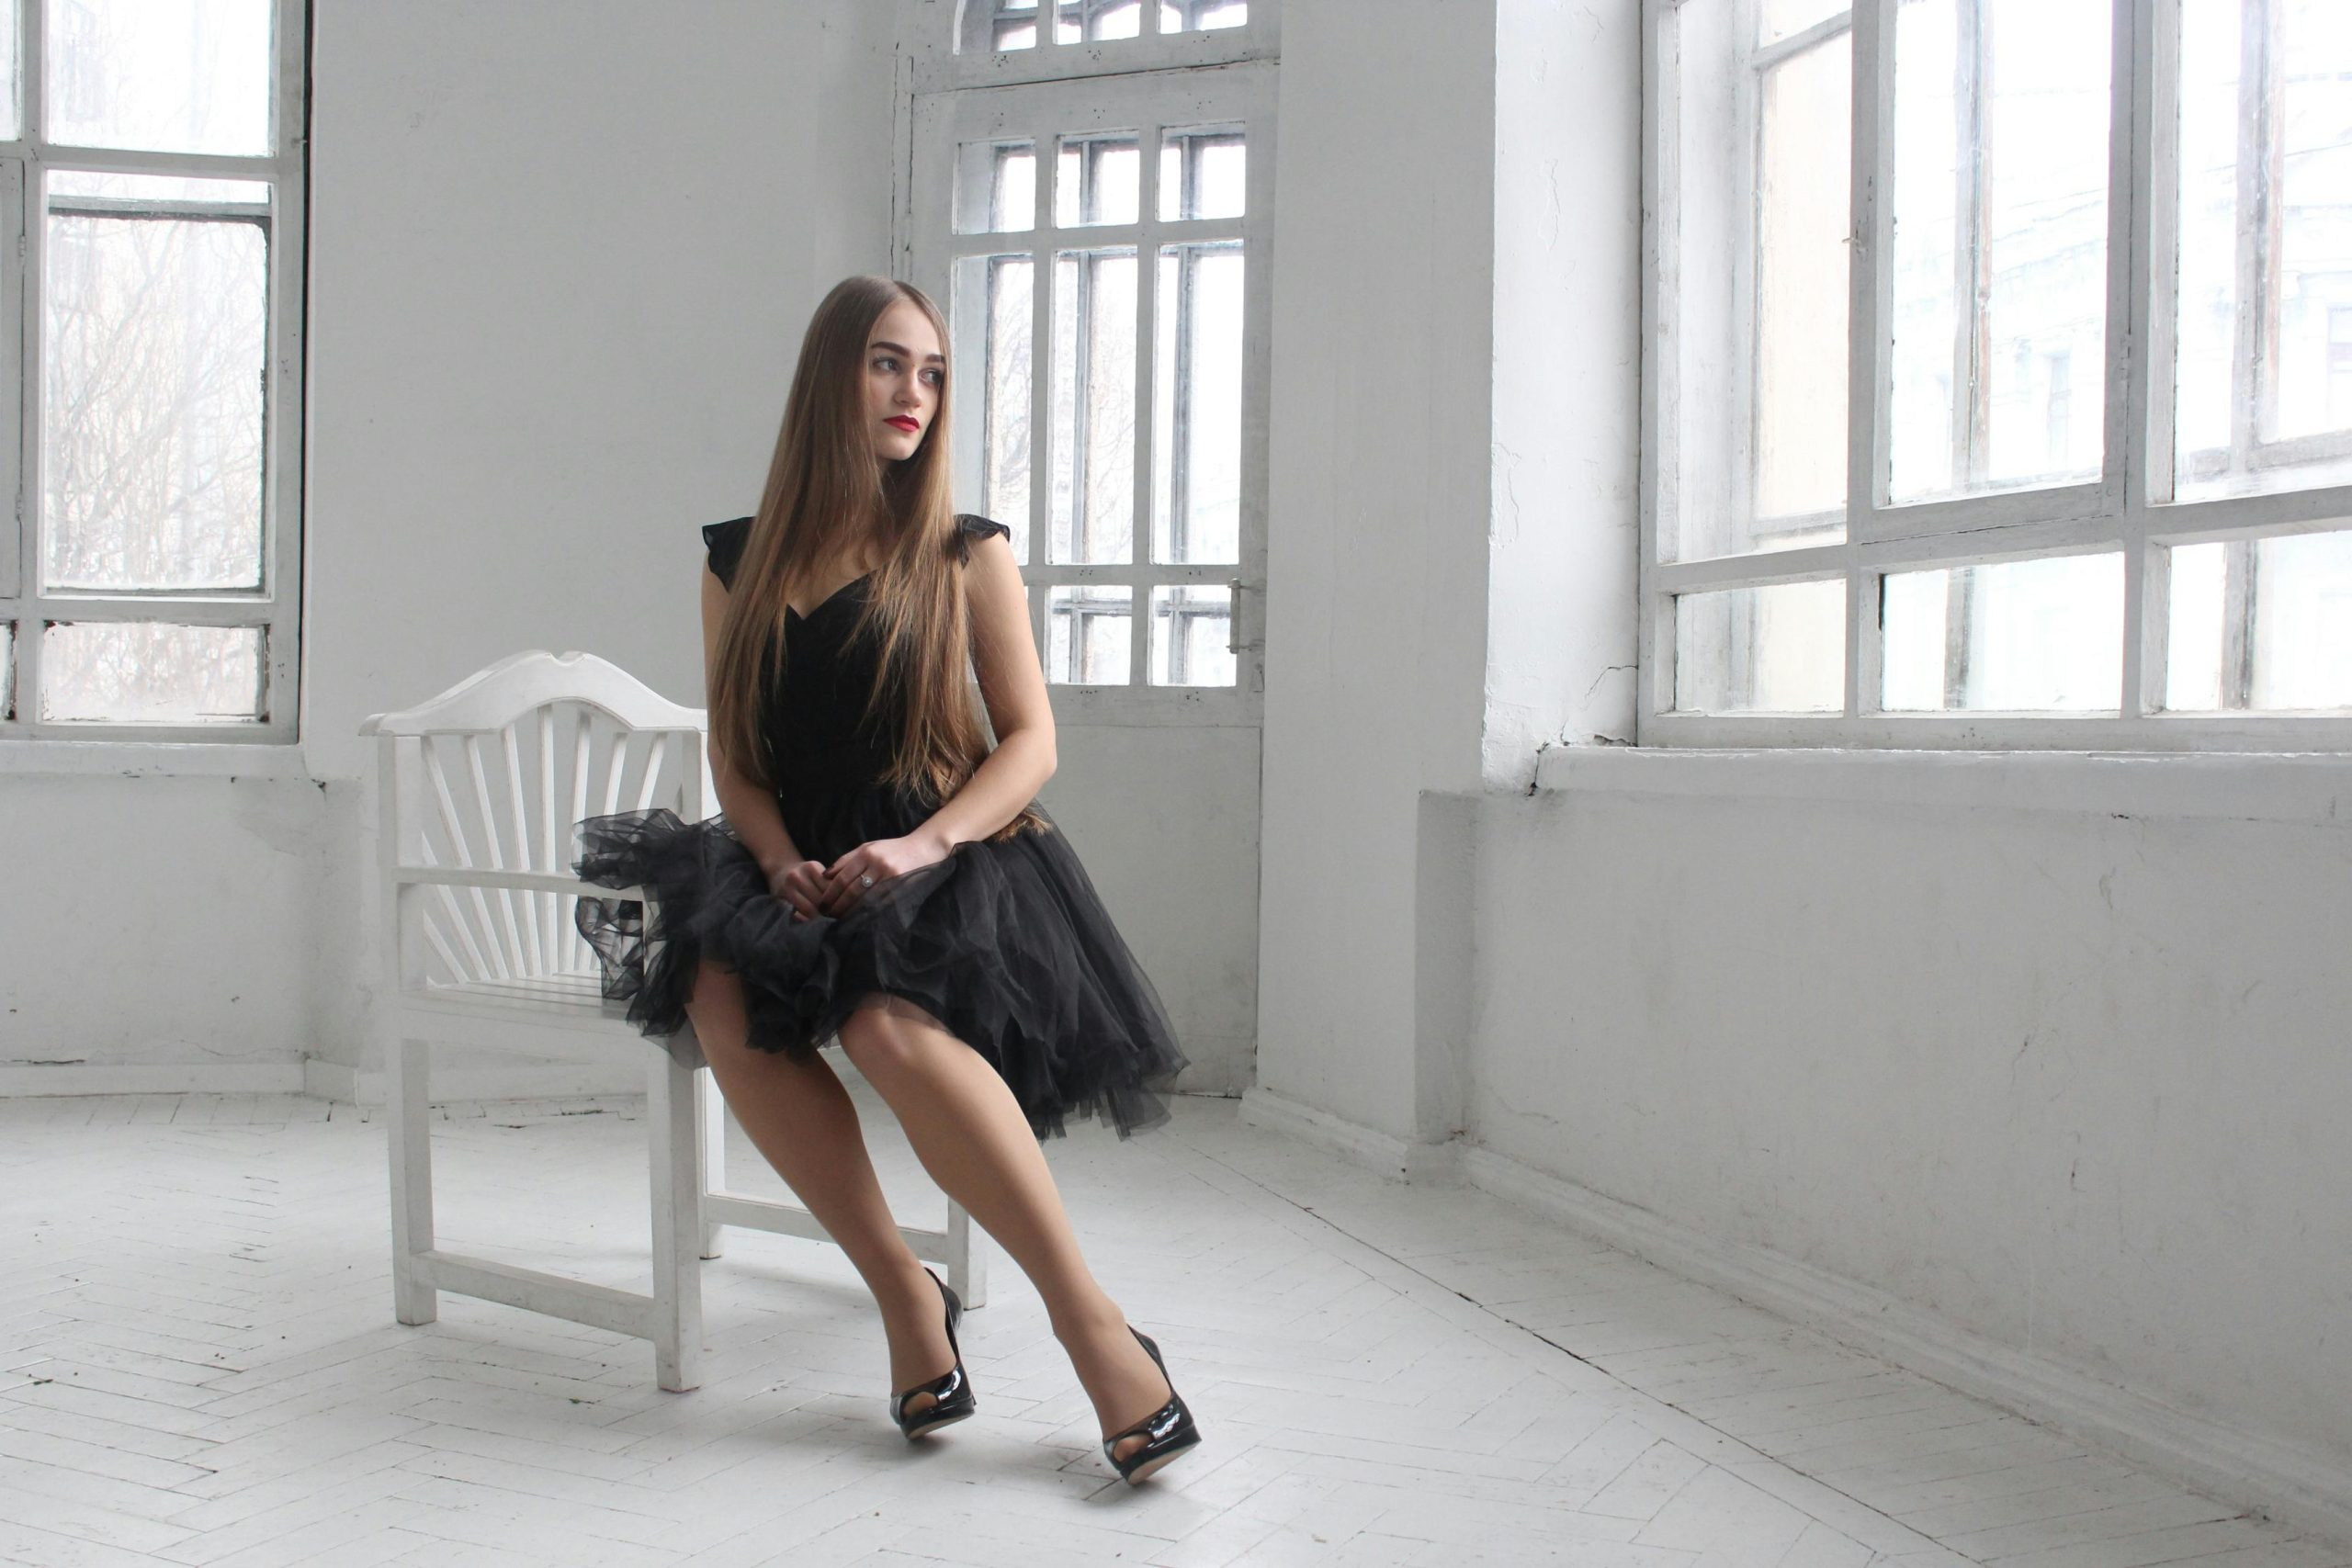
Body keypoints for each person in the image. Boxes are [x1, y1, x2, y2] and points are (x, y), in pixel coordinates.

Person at [571, 274, 1201, 1485]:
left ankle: (1094, 1326)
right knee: (713, 981)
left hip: (943, 851)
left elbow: (1032, 742)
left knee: (884, 1028)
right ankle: (907, 1298)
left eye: (931, 371)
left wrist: (923, 846)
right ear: (829, 378)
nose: (913, 391)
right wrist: (771, 860)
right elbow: (736, 754)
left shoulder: (965, 553)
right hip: (793, 855)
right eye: (884, 362)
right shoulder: (735, 561)